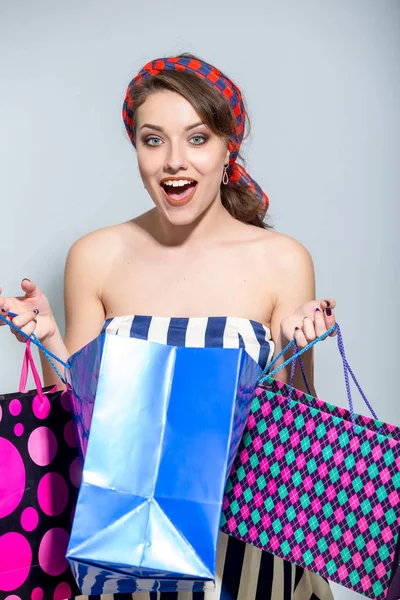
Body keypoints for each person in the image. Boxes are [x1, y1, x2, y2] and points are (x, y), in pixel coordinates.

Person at [0, 53, 337, 600]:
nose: (174, 162)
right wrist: (49, 340)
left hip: (246, 564)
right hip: (126, 565)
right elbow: (85, 425)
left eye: (198, 139)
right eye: (153, 140)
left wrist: (302, 349)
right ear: (135, 146)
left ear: (230, 147)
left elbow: (295, 432)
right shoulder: (96, 255)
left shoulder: (281, 260)